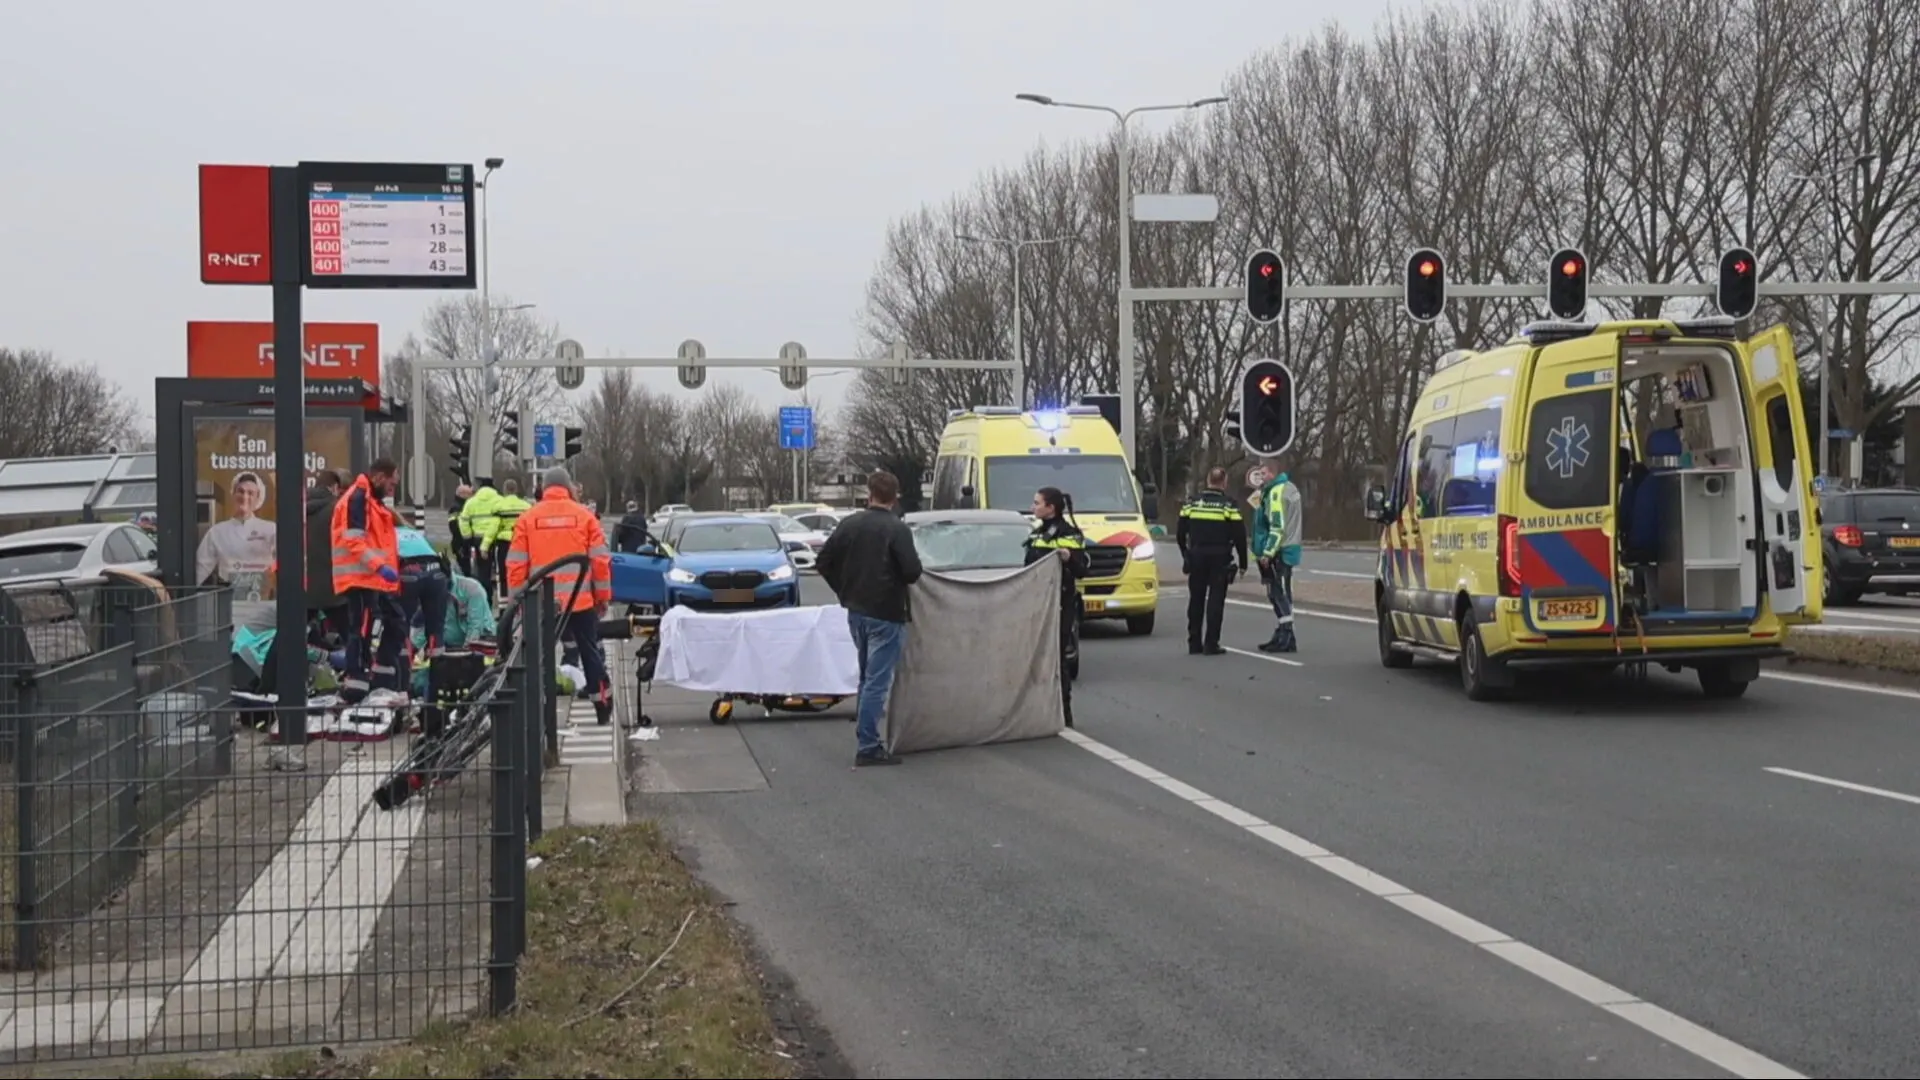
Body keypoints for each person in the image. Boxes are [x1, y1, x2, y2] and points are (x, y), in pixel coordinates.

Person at [815, 470, 922, 767]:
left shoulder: (849, 525)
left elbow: (823, 562)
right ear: (895, 496)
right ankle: (868, 745)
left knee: (866, 677)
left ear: (869, 494)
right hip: (887, 612)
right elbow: (912, 572)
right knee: (877, 681)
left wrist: (843, 589)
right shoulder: (897, 529)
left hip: (857, 611)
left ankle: (866, 737)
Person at [505, 465, 615, 724]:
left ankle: (537, 712)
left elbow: (516, 565)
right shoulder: (585, 517)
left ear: (544, 488)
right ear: (568, 487)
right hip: (581, 601)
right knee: (590, 653)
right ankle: (602, 706)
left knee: (537, 656)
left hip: (541, 602)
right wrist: (602, 597)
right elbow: (600, 562)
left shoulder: (528, 518)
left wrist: (516, 602)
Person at [331, 459, 409, 703]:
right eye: (391, 485)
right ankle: (356, 680)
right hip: (360, 576)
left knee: (394, 622)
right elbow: (354, 540)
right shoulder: (359, 498)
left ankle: (379, 674)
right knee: (363, 628)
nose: (392, 490)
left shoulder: (370, 500)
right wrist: (380, 566)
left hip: (373, 577)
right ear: (379, 477)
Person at [1023, 486, 1089, 727]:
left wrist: (1068, 558)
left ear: (1051, 508)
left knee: (1058, 657)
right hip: (1037, 604)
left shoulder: (1069, 534)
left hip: (1061, 603)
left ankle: (1064, 712)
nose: (1033, 507)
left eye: (1037, 503)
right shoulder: (1037, 533)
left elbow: (1082, 570)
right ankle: (1037, 711)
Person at [1177, 467, 1249, 656]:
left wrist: (1186, 554)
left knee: (1196, 600)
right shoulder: (1229, 505)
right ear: (1224, 482)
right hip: (1220, 558)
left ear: (1208, 480)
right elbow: (1240, 536)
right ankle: (1211, 644)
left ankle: (1194, 643)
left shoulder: (1192, 503)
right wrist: (1243, 563)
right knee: (1216, 600)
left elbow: (1180, 533)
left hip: (1196, 556)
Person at [1252, 466, 1304, 653]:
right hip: (1289, 547)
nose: (1261, 477)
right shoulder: (1289, 488)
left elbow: (1277, 525)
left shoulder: (1275, 493)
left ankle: (1286, 635)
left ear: (1273, 473)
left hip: (1279, 550)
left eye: (1264, 473)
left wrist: (1268, 552)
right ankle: (1284, 633)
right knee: (1281, 593)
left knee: (1278, 594)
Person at [486, 478, 532, 600]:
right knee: (524, 574)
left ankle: (504, 603)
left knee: (503, 574)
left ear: (504, 490)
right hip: (522, 543)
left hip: (504, 543)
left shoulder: (499, 506)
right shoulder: (526, 506)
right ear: (516, 490)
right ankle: (522, 602)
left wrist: (485, 546)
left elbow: (493, 528)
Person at [457, 477, 502, 601]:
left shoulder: (471, 502)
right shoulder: (499, 500)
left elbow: (463, 520)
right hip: (497, 539)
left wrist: (468, 537)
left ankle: (485, 598)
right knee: (500, 570)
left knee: (482, 572)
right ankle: (500, 598)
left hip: (478, 539)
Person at [448, 482, 476, 578]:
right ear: (462, 494)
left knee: (468, 567)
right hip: (460, 543)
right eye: (469, 494)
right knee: (464, 569)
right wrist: (463, 540)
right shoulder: (456, 508)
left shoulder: (464, 505)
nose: (471, 496)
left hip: (464, 543)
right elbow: (454, 527)